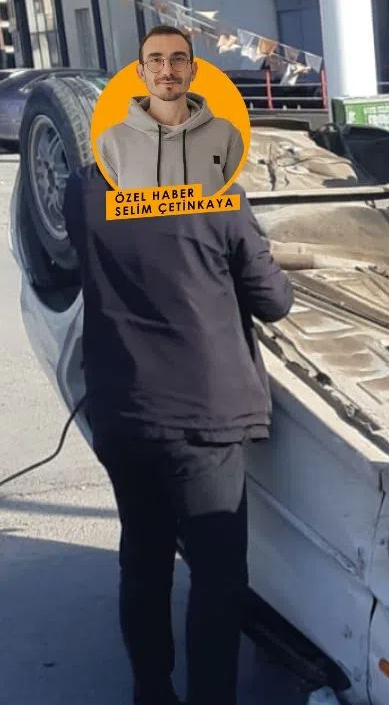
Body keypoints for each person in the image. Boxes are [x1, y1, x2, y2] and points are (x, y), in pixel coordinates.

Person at [62, 162, 293, 705]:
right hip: (202, 420)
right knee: (217, 580)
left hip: (123, 411)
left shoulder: (85, 190)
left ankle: (151, 690)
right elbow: (274, 301)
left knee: (143, 559)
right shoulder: (216, 194)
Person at [97, 24, 245, 194]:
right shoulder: (111, 142)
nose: (167, 71)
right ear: (141, 73)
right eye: (155, 60)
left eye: (178, 59)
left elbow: (239, 202)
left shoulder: (226, 135)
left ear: (193, 70)